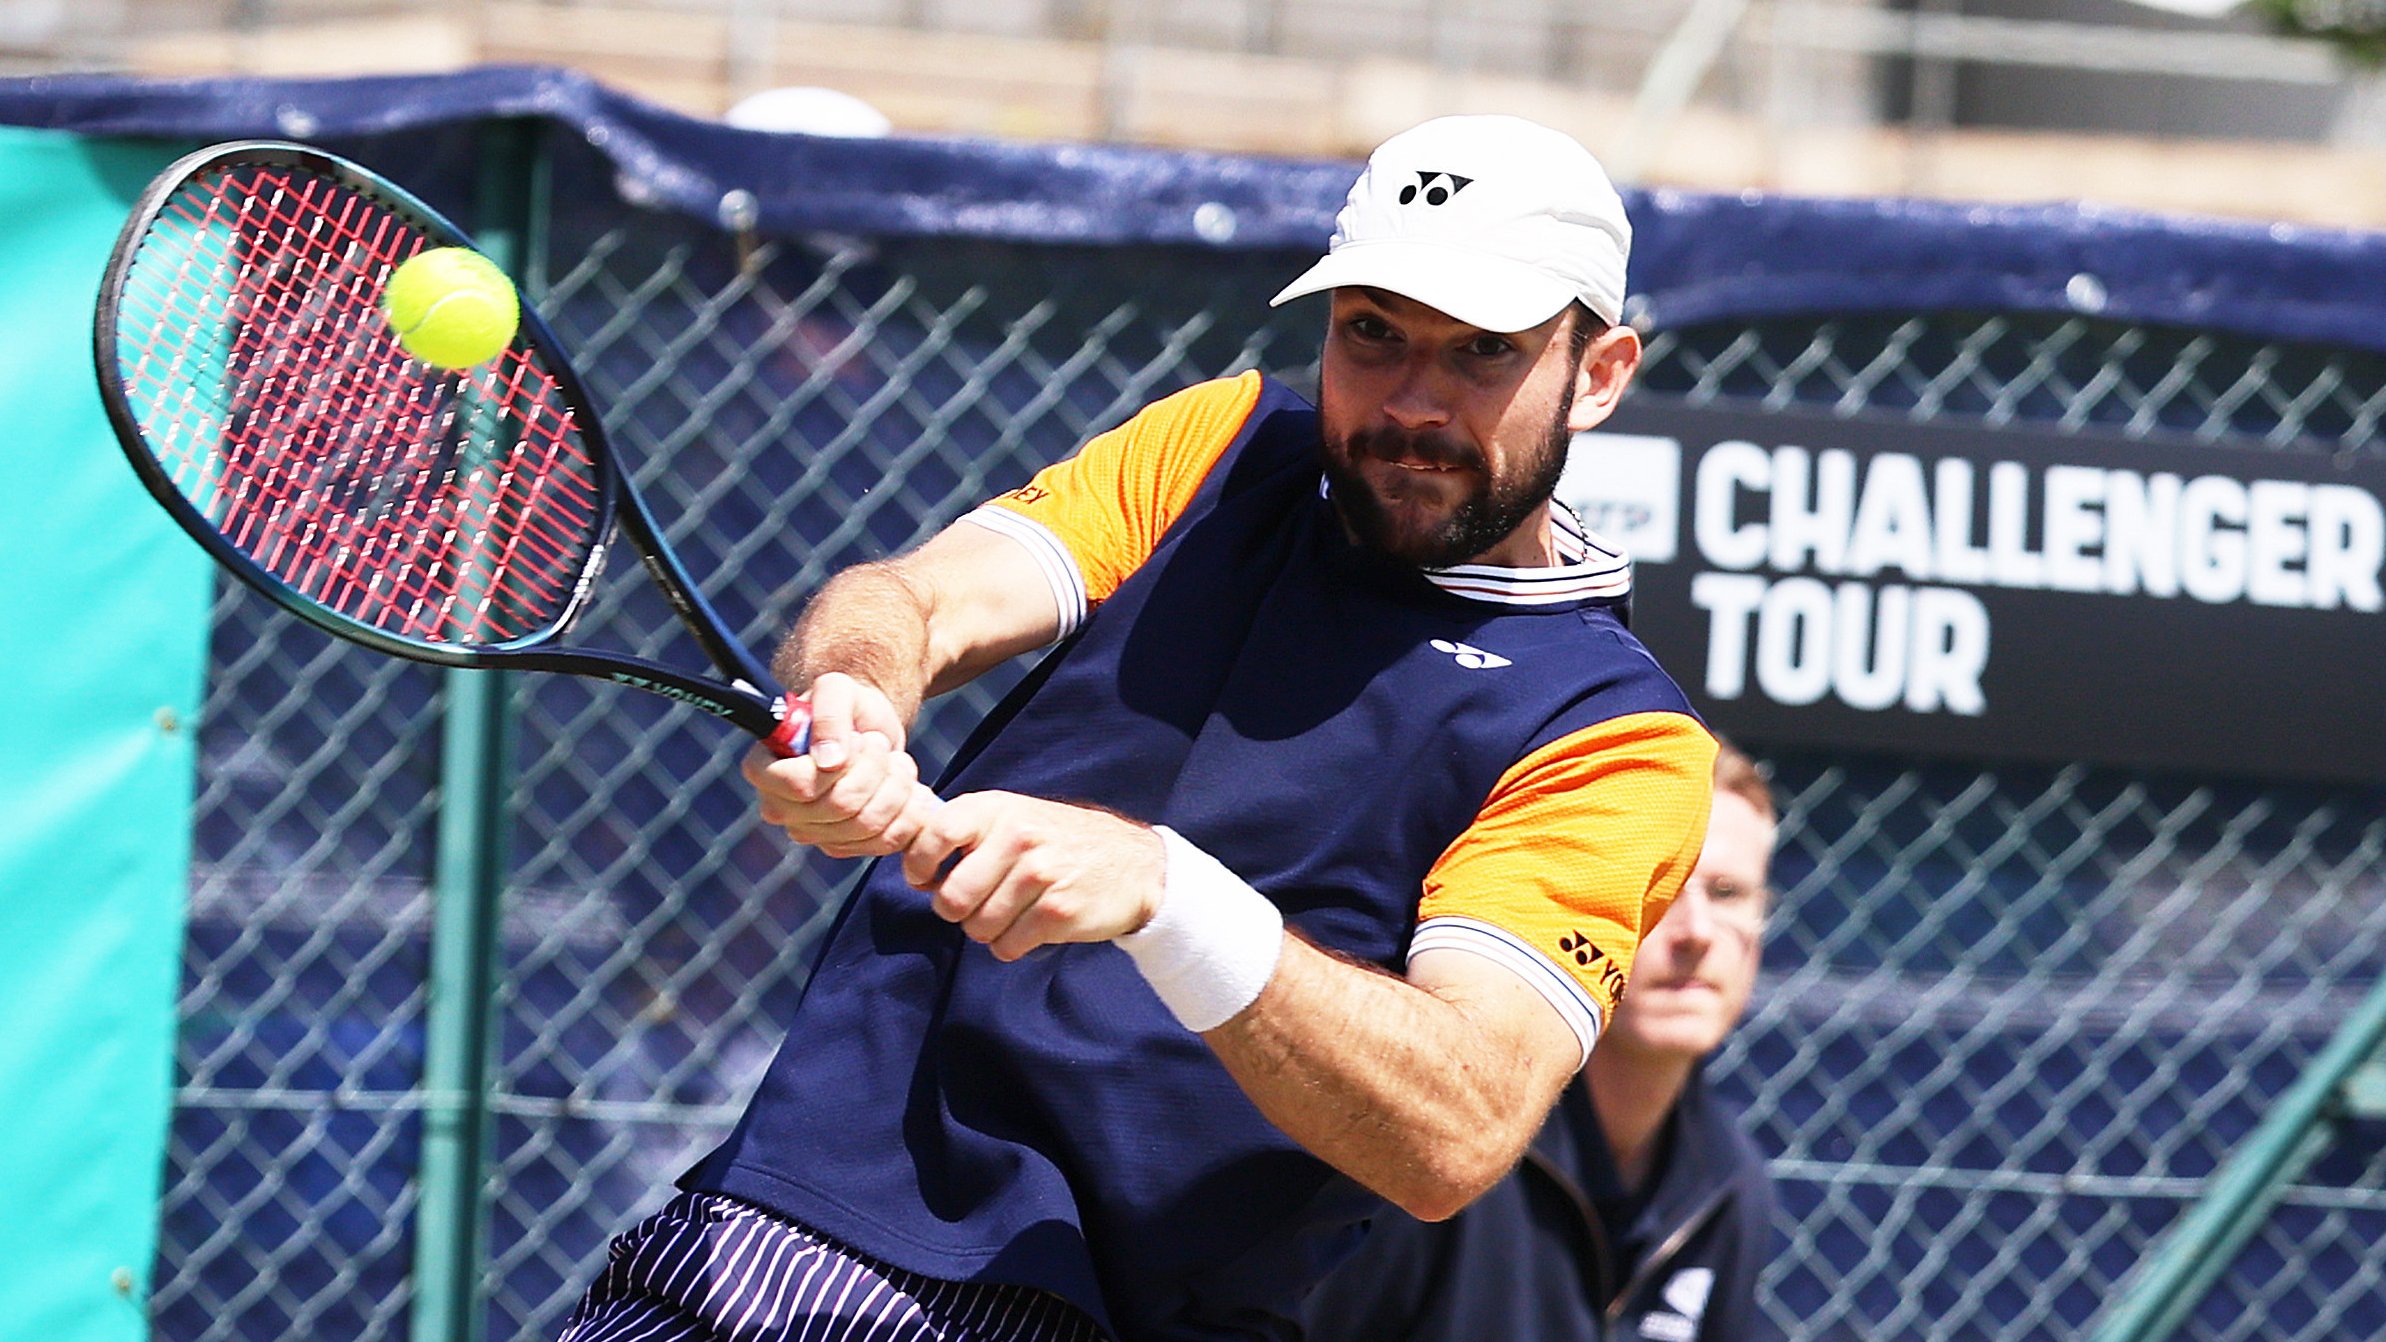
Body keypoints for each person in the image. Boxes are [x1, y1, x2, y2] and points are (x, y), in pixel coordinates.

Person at [559, 114, 1716, 1342]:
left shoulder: (1614, 736)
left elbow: (1460, 1120)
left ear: (1598, 374)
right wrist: (855, 691)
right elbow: (916, 596)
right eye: (1370, 333)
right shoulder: (1220, 443)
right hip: (780, 1237)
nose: (1413, 400)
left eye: (1483, 350)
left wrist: (1168, 896)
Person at [1302, 741, 1782, 1342]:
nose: (1697, 933)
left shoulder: (1729, 1180)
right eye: (1660, 887)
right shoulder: (1446, 1137)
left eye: (1727, 893)